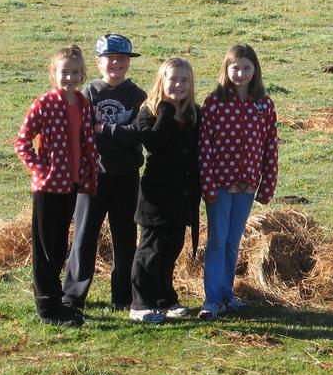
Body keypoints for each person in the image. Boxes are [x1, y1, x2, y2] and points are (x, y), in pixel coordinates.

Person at [15, 45, 99, 327]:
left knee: (60, 244)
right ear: (54, 73)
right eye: (65, 72)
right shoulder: (43, 104)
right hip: (48, 187)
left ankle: (58, 301)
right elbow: (22, 143)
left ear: (82, 74)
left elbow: (85, 141)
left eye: (75, 73)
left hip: (73, 184)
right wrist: (43, 167)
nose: (70, 78)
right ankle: (46, 307)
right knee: (46, 247)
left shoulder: (82, 103)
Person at [62, 33, 146, 313]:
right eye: (110, 58)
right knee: (85, 236)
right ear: (98, 62)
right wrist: (115, 135)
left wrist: (106, 131)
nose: (116, 63)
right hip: (92, 176)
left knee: (125, 237)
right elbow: (85, 134)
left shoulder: (137, 96)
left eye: (122, 58)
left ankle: (122, 297)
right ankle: (73, 296)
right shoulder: (89, 94)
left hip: (127, 176)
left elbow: (138, 135)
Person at [198, 44, 279, 319]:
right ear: (226, 69)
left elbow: (270, 145)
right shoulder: (215, 102)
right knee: (217, 240)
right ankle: (211, 298)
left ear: (255, 70)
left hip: (247, 186)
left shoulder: (264, 105)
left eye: (246, 68)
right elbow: (204, 146)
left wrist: (267, 184)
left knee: (233, 241)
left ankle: (227, 294)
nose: (241, 73)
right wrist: (207, 184)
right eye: (235, 68)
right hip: (220, 186)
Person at [129, 58, 201, 324]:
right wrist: (166, 111)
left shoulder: (195, 113)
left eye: (185, 80)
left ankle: (164, 298)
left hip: (183, 195)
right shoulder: (148, 111)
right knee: (151, 249)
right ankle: (140, 303)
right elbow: (155, 145)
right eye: (173, 79)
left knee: (172, 247)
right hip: (156, 196)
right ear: (162, 81)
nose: (179, 85)